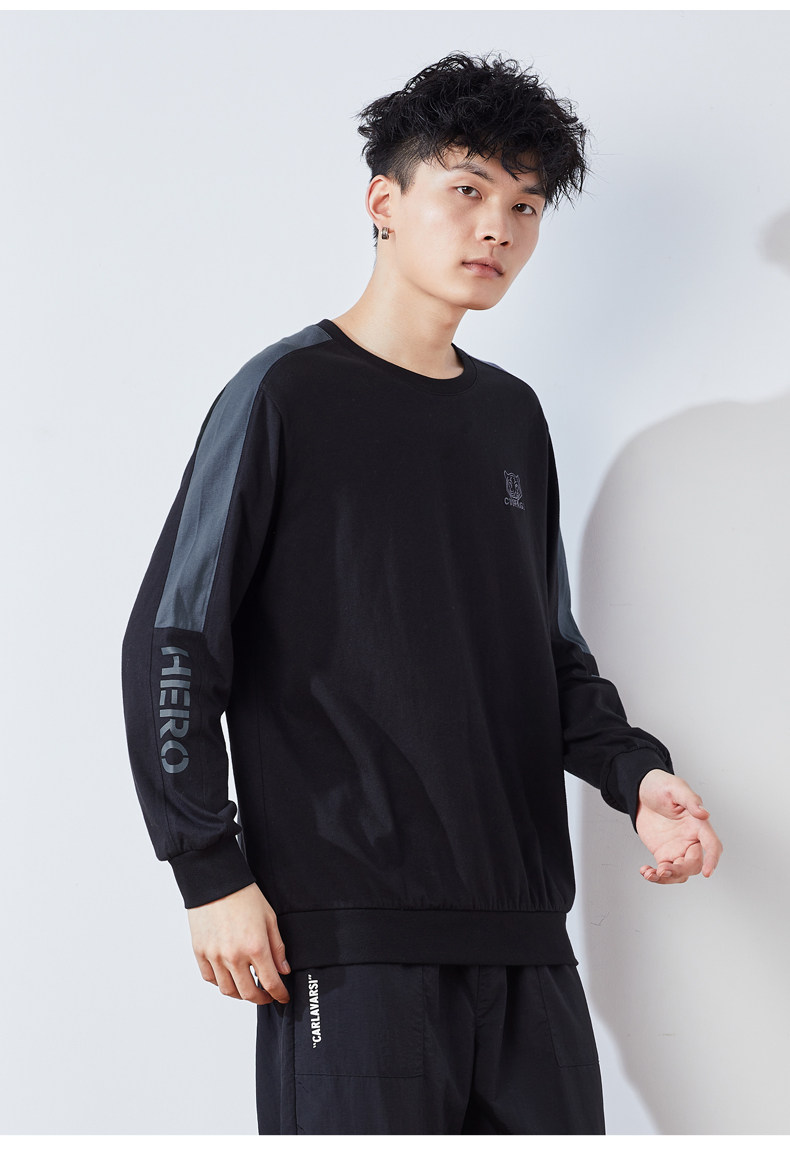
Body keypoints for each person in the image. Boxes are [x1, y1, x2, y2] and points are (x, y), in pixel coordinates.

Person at [121, 51, 722, 1135]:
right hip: (350, 942)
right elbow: (174, 640)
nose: (497, 228)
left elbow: (548, 655)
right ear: (383, 202)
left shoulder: (511, 418)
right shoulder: (283, 394)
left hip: (526, 941)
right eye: (466, 190)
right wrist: (207, 870)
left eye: (524, 205)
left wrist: (635, 776)